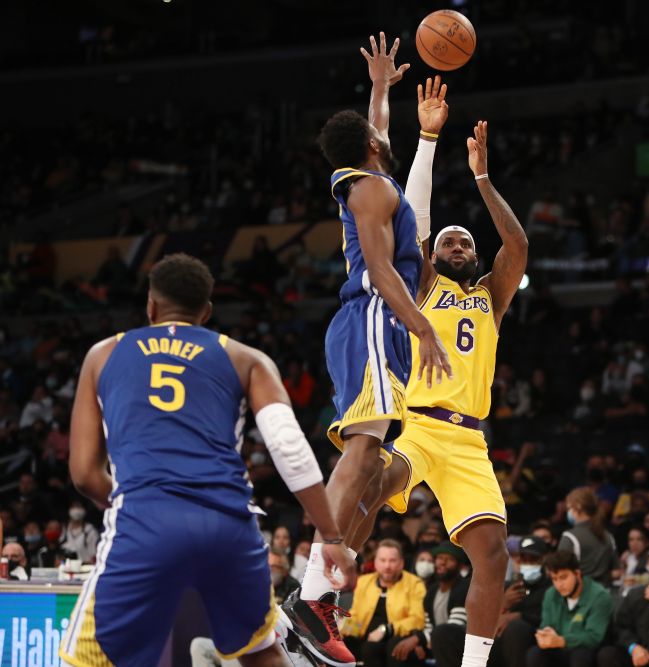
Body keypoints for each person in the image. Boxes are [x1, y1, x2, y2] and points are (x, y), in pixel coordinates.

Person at [290, 74, 528, 667]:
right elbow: (406, 212)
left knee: (494, 554)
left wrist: (482, 178)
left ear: (472, 255)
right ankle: (321, 600)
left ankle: (474, 664)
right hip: (419, 425)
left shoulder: (490, 297)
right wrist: (425, 136)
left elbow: (517, 246)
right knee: (369, 479)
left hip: (469, 439)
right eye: (444, 240)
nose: (453, 244)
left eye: (462, 241)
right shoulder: (420, 283)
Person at [58, 253, 354, 667]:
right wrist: (332, 538)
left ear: (151, 305)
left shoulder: (104, 354)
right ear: (207, 312)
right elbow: (290, 450)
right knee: (260, 651)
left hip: (144, 521)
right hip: (228, 526)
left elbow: (85, 476)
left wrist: (148, 507)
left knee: (87, 658)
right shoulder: (245, 358)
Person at [286, 32, 451, 665]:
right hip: (380, 316)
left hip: (367, 322)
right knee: (363, 443)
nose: (387, 135)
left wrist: (381, 90)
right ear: (375, 147)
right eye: (381, 132)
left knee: (372, 451)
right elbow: (384, 272)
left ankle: (316, 597)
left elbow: (375, 136)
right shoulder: (374, 189)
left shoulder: (362, 178)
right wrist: (423, 327)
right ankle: (309, 592)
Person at [339, 540, 426, 667]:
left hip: (396, 638)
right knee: (340, 644)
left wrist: (386, 629)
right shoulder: (363, 582)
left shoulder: (415, 584)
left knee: (377, 649)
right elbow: (357, 618)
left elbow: (417, 620)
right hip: (365, 638)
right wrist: (343, 628)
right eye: (383, 560)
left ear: (401, 563)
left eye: (392, 560)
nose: (387, 566)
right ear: (375, 562)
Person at [528, 551, 613, 667]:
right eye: (555, 579)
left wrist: (562, 641)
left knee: (580, 656)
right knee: (535, 653)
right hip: (558, 647)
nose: (559, 584)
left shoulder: (599, 596)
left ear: (577, 574)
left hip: (588, 650)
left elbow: (593, 638)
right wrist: (545, 635)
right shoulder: (551, 593)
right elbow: (545, 624)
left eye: (563, 577)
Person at [494, 536, 554, 667]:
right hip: (506, 639)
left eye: (533, 560)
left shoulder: (552, 588)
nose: (527, 564)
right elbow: (493, 620)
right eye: (523, 560)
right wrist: (504, 604)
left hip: (536, 635)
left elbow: (550, 620)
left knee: (516, 627)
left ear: (544, 559)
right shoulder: (509, 587)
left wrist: (520, 616)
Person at [415, 541, 472, 667]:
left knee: (442, 634)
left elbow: (455, 625)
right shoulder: (432, 590)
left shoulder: (465, 587)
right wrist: (419, 641)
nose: (442, 562)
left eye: (449, 559)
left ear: (460, 565)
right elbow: (428, 625)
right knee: (406, 647)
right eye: (440, 558)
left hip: (462, 641)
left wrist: (419, 639)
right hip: (437, 639)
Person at [559, 487, 617, 586]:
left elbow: (561, 573)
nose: (568, 512)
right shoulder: (608, 536)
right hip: (605, 594)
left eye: (569, 508)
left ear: (578, 506)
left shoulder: (570, 537)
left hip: (581, 596)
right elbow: (617, 572)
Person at [62, 499, 100, 564]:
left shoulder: (90, 531)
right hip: (65, 568)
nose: (76, 510)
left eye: (79, 506)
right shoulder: (64, 528)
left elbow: (94, 558)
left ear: (84, 510)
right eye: (73, 506)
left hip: (84, 569)